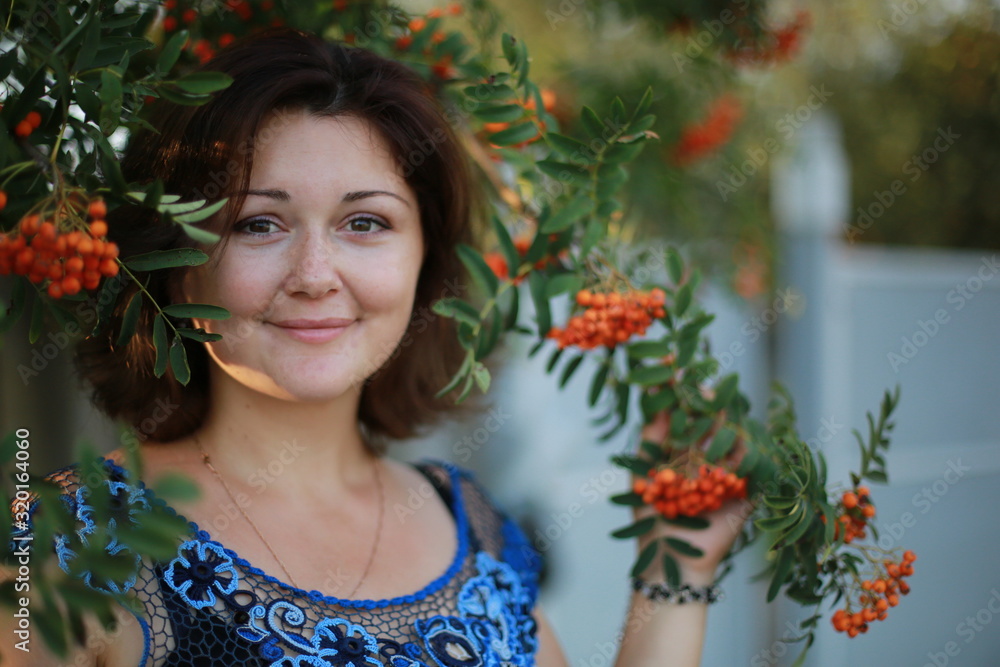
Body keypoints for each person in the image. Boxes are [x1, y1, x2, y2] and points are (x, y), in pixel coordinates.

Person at [4, 28, 746, 666]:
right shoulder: (64, 544)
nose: (315, 276)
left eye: (366, 223)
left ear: (426, 263)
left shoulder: (477, 532)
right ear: (173, 258)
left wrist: (671, 569)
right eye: (258, 224)